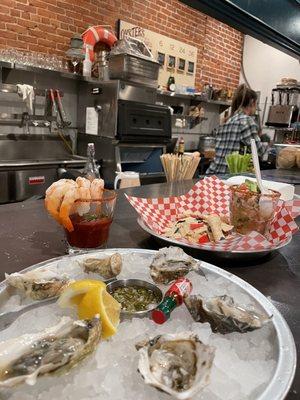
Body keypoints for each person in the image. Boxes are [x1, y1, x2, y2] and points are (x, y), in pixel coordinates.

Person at [206, 84, 264, 174]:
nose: (256, 108)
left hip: (213, 176)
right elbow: (259, 151)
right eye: (256, 104)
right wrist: (266, 142)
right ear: (252, 102)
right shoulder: (246, 121)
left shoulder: (227, 121)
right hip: (230, 178)